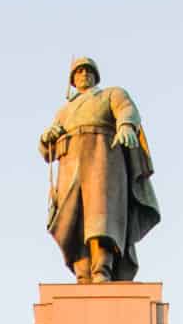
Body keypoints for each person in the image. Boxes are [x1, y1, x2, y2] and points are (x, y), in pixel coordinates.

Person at [38, 57, 160, 282]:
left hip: (102, 158)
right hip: (70, 164)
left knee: (101, 216)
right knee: (74, 220)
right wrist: (46, 139)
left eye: (88, 71)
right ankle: (83, 272)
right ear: (73, 80)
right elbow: (47, 151)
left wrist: (125, 125)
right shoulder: (64, 111)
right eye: (79, 71)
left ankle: (101, 268)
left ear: (95, 75)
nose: (84, 74)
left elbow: (126, 109)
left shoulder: (110, 94)